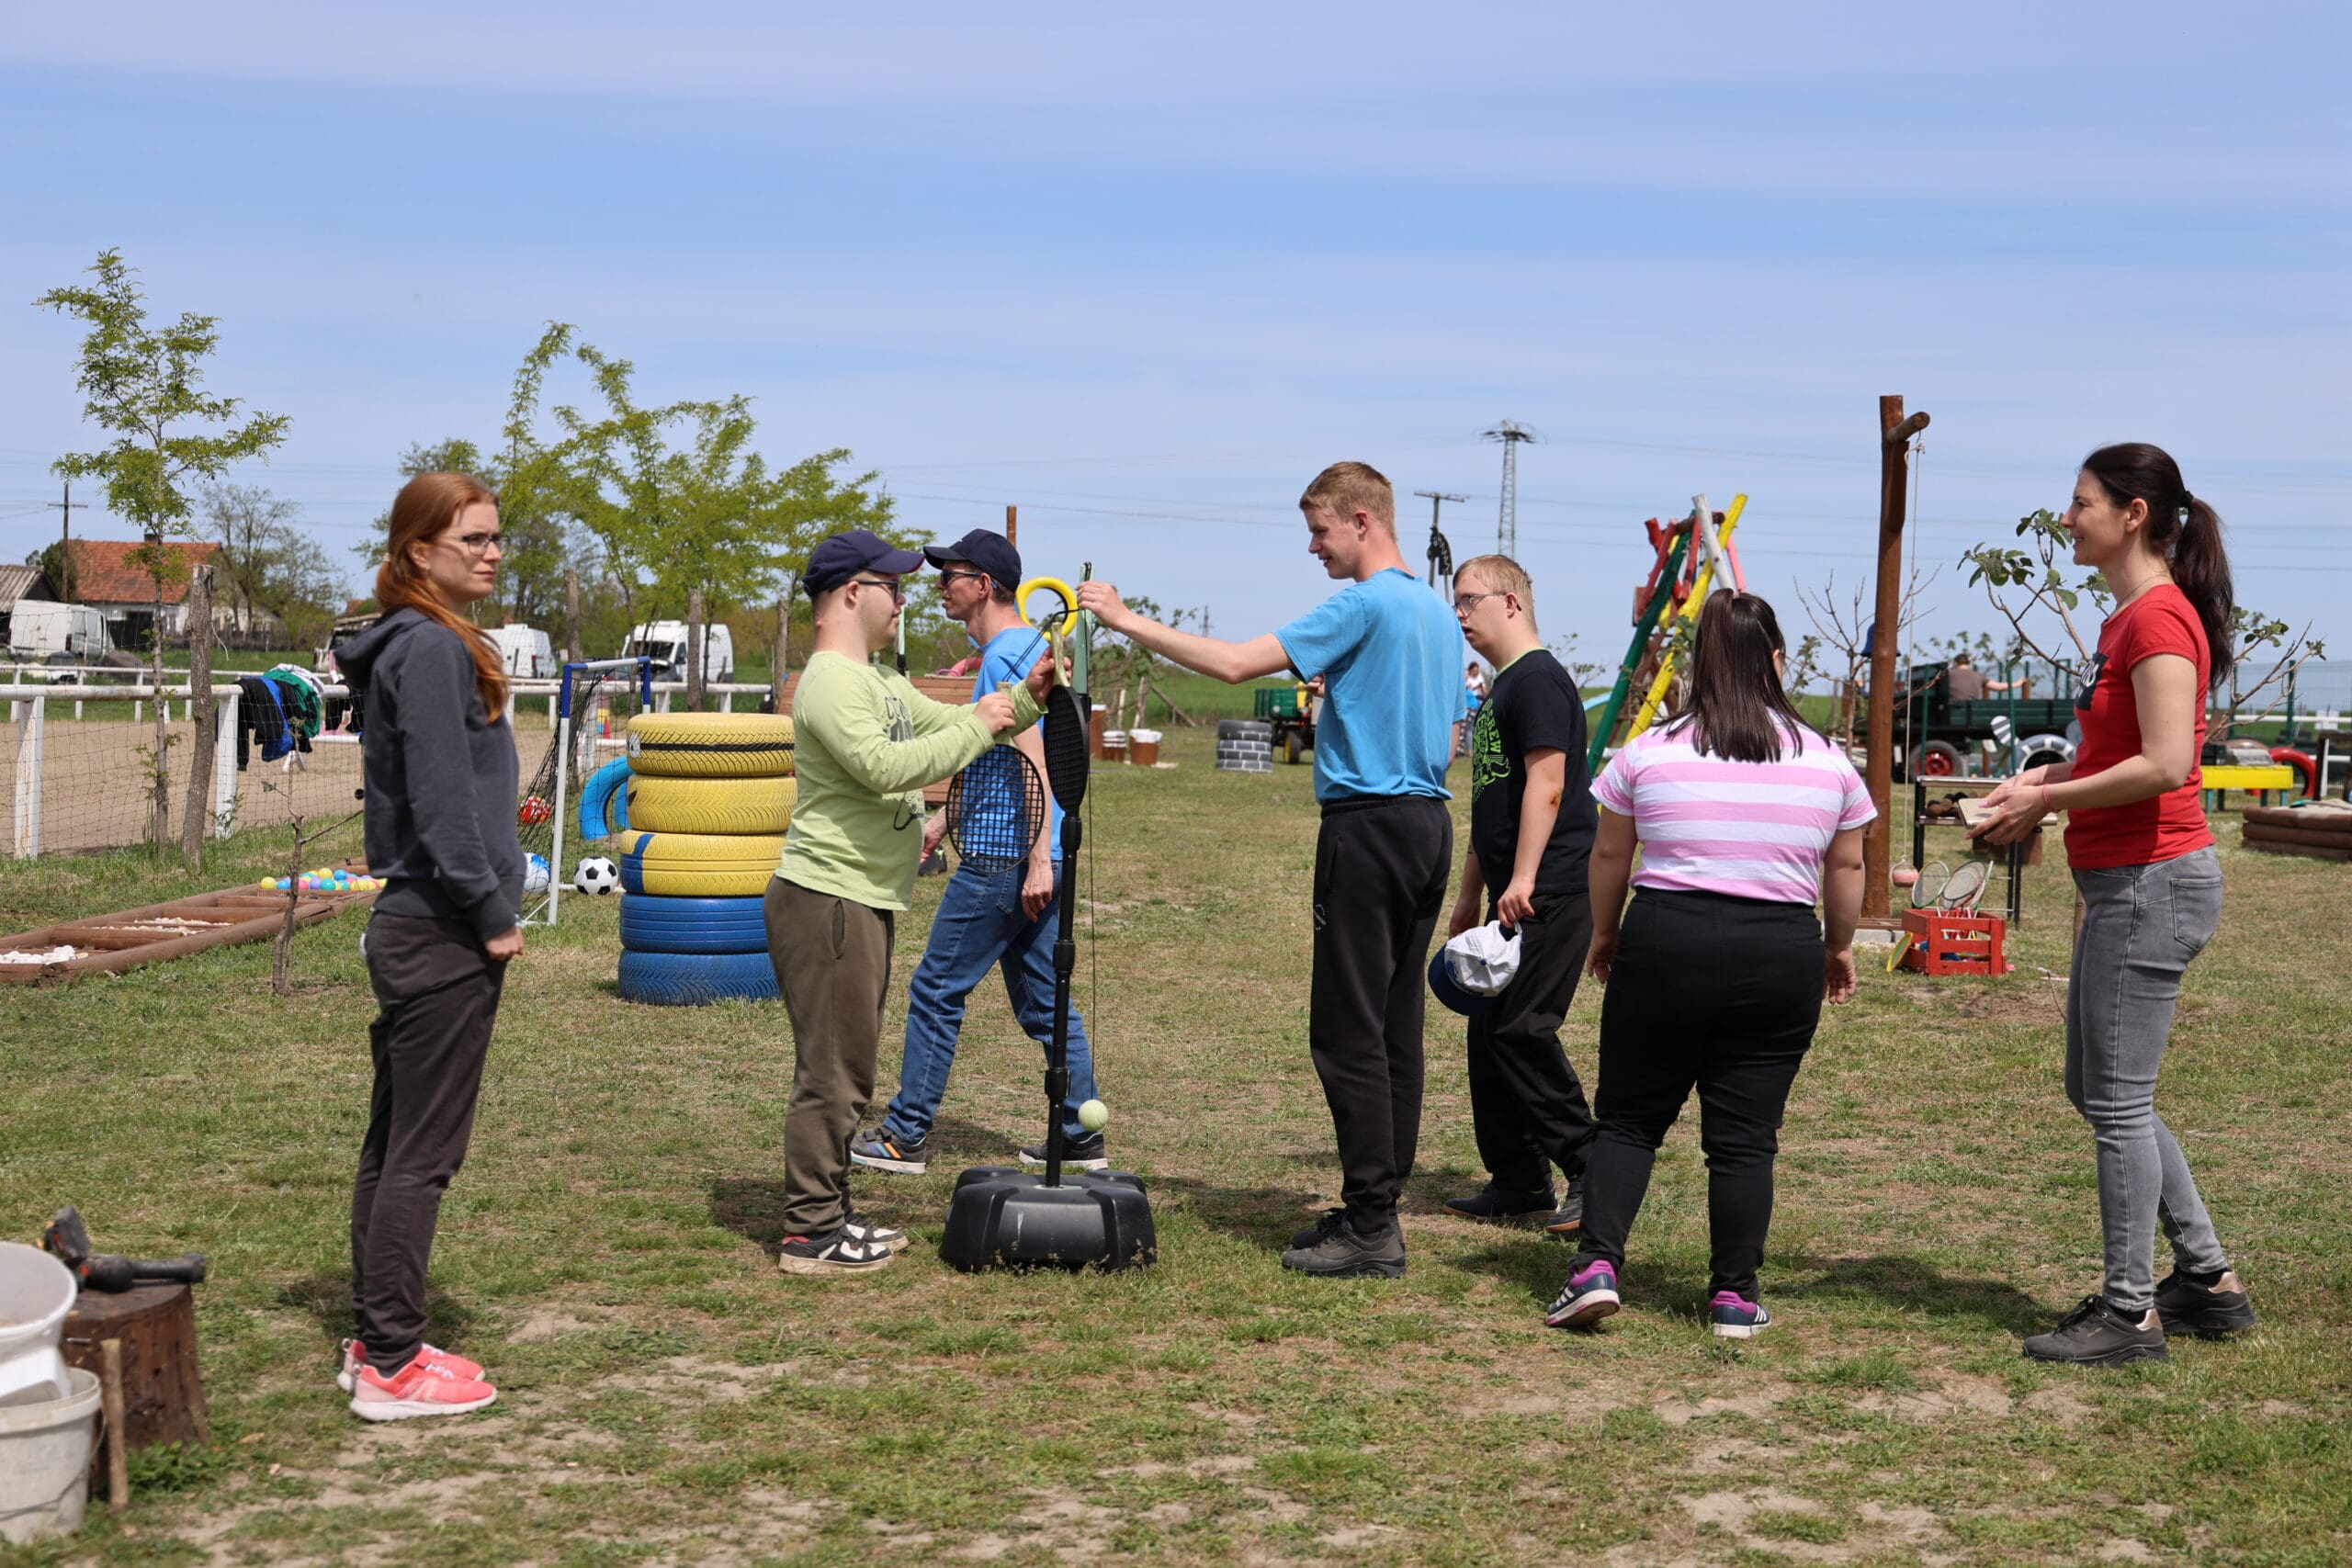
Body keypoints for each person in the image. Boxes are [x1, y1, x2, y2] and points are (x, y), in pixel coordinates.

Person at [1078, 461, 1460, 1279]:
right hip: (1429, 823)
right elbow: (1449, 728)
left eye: (1321, 530)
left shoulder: (1363, 602)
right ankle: (1377, 1205)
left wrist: (1124, 619)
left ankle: (1371, 1226)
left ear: (1363, 520)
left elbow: (1232, 663)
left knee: (1348, 1032)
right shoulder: (1435, 609)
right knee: (1395, 1027)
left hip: (1368, 827)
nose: (1313, 547)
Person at [1971, 444, 2253, 1365]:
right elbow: (2119, 753)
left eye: (2081, 501)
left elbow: (2168, 763)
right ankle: (2206, 1280)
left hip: (2152, 881)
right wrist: (2041, 779)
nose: (2067, 517)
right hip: (2123, 882)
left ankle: (2131, 1314)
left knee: (2119, 1104)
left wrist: (2048, 798)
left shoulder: (2159, 618)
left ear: (2133, 514)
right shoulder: (2124, 618)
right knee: (2096, 1090)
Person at [1548, 592, 1870, 1339]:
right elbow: (1847, 864)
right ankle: (1733, 1296)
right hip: (1781, 949)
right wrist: (1838, 945)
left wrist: (1605, 932)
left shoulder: (1649, 751)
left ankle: (1595, 1268)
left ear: (1700, 665)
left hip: (1666, 937)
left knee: (1629, 1119)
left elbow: (1609, 852)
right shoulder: (1827, 761)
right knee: (1746, 1138)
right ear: (1777, 661)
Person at [769, 529, 1054, 1275]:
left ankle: (830, 1214)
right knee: (833, 1074)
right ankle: (810, 1233)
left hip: (858, 898)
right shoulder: (830, 682)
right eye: (891, 587)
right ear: (851, 593)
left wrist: (1026, 698)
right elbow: (885, 766)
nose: (904, 599)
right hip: (827, 897)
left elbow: (951, 724)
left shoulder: (878, 682)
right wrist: (984, 722)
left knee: (849, 1069)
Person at [334, 472, 521, 1421]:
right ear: (418, 551)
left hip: (415, 923)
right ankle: (393, 1366)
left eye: (495, 538)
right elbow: (445, 808)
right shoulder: (434, 648)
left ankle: (376, 1336)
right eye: (471, 539)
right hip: (442, 930)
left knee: (393, 1143)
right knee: (423, 1155)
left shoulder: (416, 642)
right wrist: (491, 913)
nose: (491, 553)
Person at [849, 528, 1105, 1178]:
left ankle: (905, 1135)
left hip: (1004, 858)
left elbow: (1033, 757)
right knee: (1043, 1000)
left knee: (936, 986)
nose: (939, 586)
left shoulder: (1007, 655)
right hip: (1027, 849)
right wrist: (944, 819)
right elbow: (995, 763)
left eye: (950, 575)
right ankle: (1079, 1131)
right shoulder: (1017, 649)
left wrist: (1039, 859)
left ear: (984, 585)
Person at [1441, 556, 1599, 1236]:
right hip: (1513, 892)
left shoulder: (1536, 680)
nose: (1459, 615)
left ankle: (1592, 1167)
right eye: (1455, 603)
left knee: (1522, 1029)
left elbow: (1547, 784)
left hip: (1551, 887)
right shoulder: (1503, 688)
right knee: (1489, 1034)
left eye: (1469, 600)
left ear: (1510, 602)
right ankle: (1519, 1179)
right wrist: (1469, 894)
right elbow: (1494, 803)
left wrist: (1525, 878)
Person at [1946, 651, 2028, 702]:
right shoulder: (1978, 676)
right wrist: (2018, 683)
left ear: (1956, 663)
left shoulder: (1948, 675)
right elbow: (1999, 687)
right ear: (1969, 664)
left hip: (1951, 713)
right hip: (1973, 713)